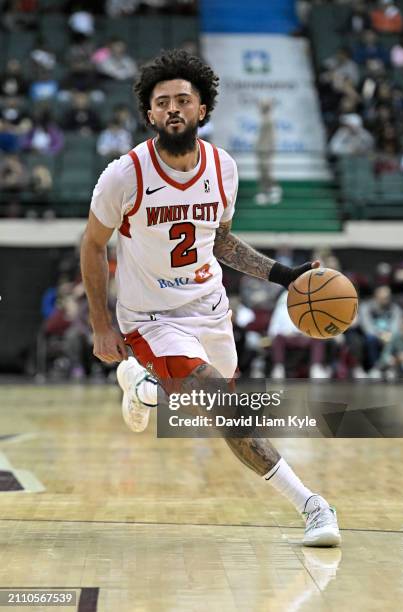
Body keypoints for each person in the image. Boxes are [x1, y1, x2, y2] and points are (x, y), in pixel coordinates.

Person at [80, 49, 340, 547]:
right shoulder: (125, 174)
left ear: (202, 110)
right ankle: (313, 505)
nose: (173, 108)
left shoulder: (224, 168)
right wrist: (100, 323)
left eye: (183, 99)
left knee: (219, 417)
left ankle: (142, 387)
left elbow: (218, 242)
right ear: (150, 114)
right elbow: (93, 244)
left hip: (210, 310)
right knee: (223, 405)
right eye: (163, 102)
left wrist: (284, 275)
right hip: (151, 316)